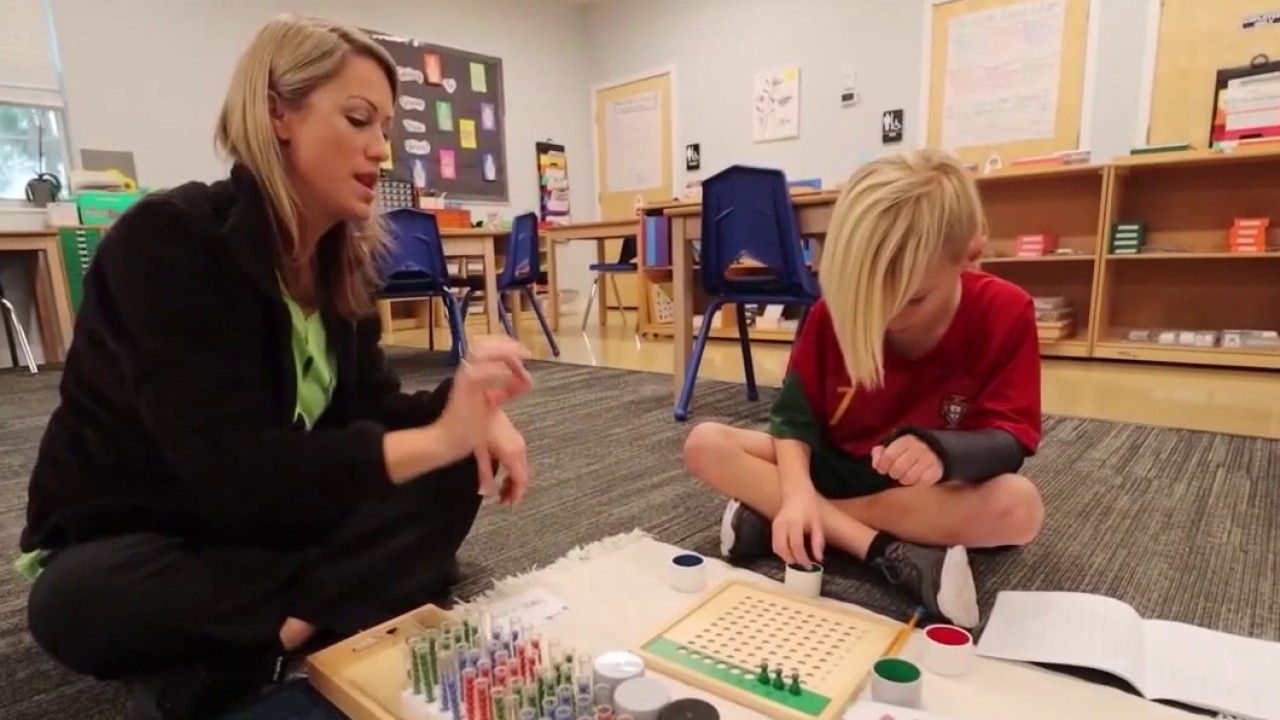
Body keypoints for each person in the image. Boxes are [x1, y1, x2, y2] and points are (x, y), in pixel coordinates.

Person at [16, 15, 533, 720]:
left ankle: (263, 636)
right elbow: (226, 470)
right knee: (76, 602)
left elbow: (369, 408)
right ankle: (320, 609)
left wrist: (466, 411)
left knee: (454, 469)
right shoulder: (168, 241)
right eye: (358, 119)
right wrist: (440, 438)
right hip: (153, 527)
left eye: (386, 129)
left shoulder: (340, 262)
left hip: (266, 525)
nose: (381, 150)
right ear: (276, 114)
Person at [682, 149, 1046, 629]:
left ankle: (775, 521)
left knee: (1020, 509)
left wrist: (943, 452)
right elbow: (793, 420)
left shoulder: (1006, 311)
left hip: (917, 492)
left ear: (970, 255)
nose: (885, 315)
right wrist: (797, 494)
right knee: (705, 443)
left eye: (912, 299)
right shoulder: (832, 312)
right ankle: (880, 550)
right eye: (867, 295)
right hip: (832, 466)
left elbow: (1011, 439)